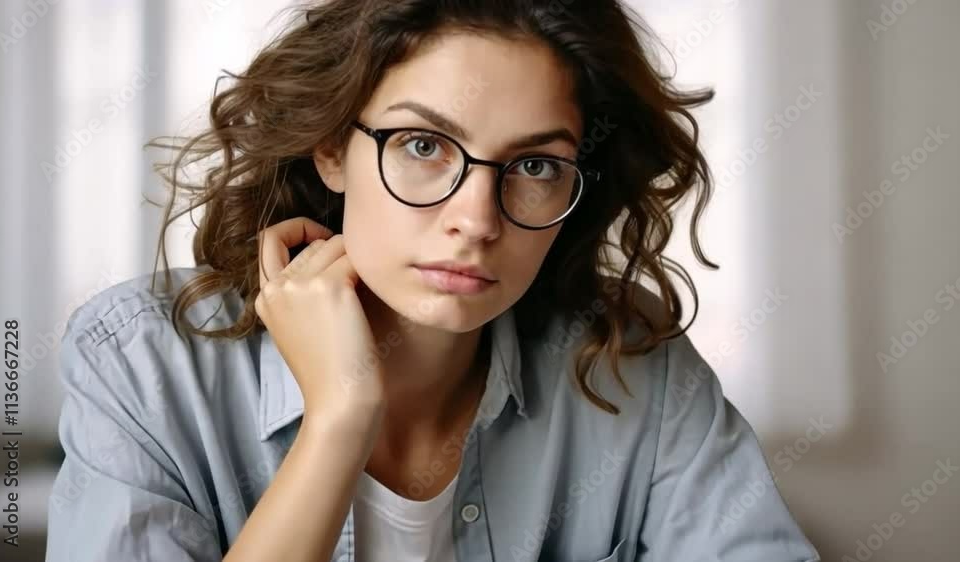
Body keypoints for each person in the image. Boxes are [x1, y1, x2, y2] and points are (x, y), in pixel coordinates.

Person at [45, 1, 820, 560]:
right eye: (423, 145)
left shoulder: (632, 367)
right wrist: (339, 421)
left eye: (536, 166)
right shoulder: (142, 363)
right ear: (329, 147)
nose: (476, 218)